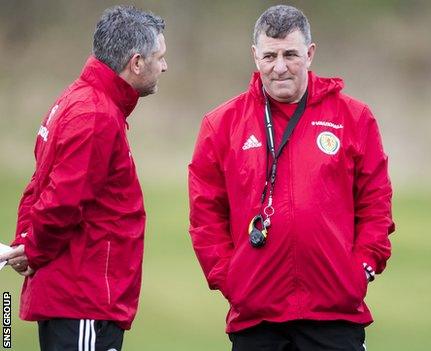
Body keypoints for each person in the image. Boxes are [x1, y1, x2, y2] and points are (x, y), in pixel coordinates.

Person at [188, 5, 394, 351]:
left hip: (334, 314)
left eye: (290, 54)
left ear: (310, 54)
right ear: (255, 56)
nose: (279, 67)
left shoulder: (354, 118)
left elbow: (376, 203)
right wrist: (230, 278)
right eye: (269, 55)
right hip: (257, 318)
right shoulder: (221, 125)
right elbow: (205, 214)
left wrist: (362, 268)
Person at [0, 5, 167, 351]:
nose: (163, 66)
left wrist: (26, 243)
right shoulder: (96, 114)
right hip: (84, 299)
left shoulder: (78, 99)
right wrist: (31, 248)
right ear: (136, 63)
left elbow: (38, 185)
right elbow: (61, 200)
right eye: (159, 57)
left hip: (76, 299)